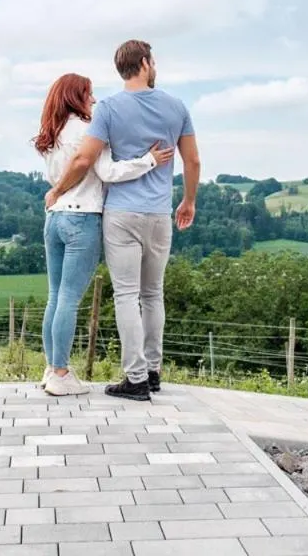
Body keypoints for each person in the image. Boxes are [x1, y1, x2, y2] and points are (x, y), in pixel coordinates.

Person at [44, 40, 200, 401]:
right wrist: (188, 201)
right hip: (160, 212)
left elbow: (85, 159)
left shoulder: (109, 108)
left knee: (126, 295)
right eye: (154, 61)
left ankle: (136, 378)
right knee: (153, 293)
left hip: (120, 215)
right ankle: (154, 370)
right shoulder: (177, 107)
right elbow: (192, 162)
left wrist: (57, 190)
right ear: (145, 63)